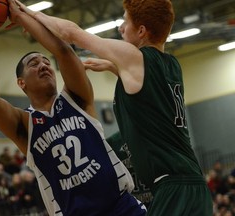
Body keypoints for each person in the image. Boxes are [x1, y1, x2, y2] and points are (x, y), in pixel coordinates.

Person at [18, 0, 214, 215]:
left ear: (141, 31)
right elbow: (150, 94)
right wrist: (115, 67)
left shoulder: (135, 58)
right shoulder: (171, 65)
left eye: (125, 22)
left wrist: (28, 14)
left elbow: (71, 32)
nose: (121, 28)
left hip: (173, 188)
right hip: (193, 183)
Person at [0, 1, 147, 216]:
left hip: (121, 207)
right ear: (21, 83)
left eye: (45, 61)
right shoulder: (24, 125)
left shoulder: (76, 98)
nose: (43, 65)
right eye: (34, 63)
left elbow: (64, 51)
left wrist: (21, 17)